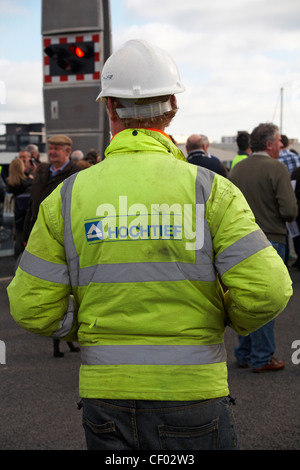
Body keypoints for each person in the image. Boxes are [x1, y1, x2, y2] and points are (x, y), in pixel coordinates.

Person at [7, 39, 293, 451]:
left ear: (109, 108)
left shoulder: (69, 196)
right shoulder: (211, 191)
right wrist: (222, 318)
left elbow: (30, 304)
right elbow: (269, 289)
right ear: (173, 104)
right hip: (194, 393)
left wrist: (82, 325)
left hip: (106, 397)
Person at [229, 122, 297, 372]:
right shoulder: (276, 168)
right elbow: (289, 210)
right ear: (269, 144)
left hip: (239, 241)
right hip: (270, 239)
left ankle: (244, 352)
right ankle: (262, 356)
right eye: (279, 141)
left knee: (245, 298)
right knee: (268, 300)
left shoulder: (237, 169)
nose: (281, 145)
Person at [22, 134, 81, 358]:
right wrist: (25, 234)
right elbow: (33, 206)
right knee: (51, 286)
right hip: (38, 235)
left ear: (68, 150)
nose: (53, 152)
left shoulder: (76, 175)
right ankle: (58, 340)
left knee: (69, 288)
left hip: (64, 236)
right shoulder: (42, 172)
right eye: (51, 148)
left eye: (57, 148)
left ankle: (65, 337)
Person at [6, 158, 33, 260]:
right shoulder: (27, 182)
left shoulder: (10, 183)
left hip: (16, 213)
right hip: (25, 213)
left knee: (18, 237)